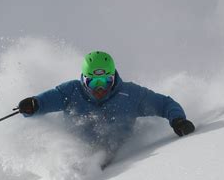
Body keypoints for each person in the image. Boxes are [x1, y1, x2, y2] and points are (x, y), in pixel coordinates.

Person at [17, 51, 195, 169]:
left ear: (114, 77)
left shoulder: (130, 94)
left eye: (106, 81)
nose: (100, 88)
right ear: (84, 79)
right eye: (93, 82)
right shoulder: (71, 91)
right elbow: (43, 102)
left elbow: (165, 104)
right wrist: (31, 105)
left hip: (120, 160)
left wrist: (178, 120)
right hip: (79, 157)